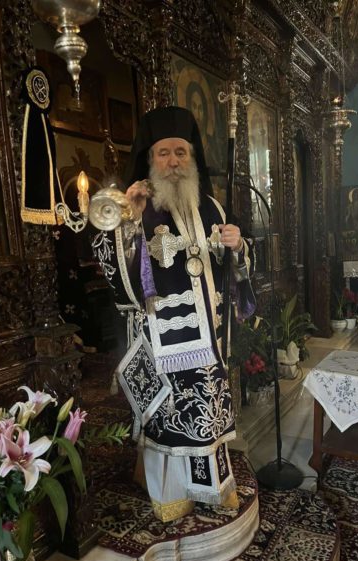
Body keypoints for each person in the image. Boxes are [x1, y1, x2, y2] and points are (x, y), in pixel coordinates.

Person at [91, 106, 256, 522]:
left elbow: (234, 273)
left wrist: (239, 248)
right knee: (169, 415)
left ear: (192, 157)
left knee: (209, 414)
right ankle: (170, 494)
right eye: (164, 153)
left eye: (181, 152)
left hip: (211, 336)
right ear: (151, 159)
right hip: (162, 337)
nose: (173, 162)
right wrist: (127, 225)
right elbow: (117, 278)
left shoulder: (213, 209)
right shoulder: (136, 207)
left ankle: (215, 489)